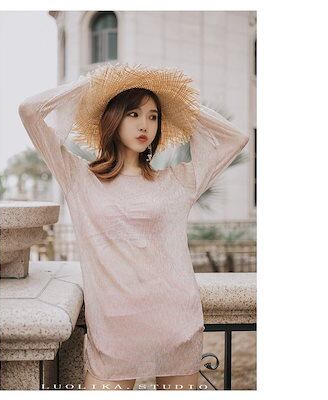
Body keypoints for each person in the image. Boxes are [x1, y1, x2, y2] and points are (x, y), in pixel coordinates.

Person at [18, 62, 249, 390]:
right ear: (113, 118)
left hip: (175, 322)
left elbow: (236, 138)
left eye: (154, 116)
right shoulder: (79, 177)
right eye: (134, 114)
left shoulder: (177, 181)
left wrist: (183, 107)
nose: (145, 125)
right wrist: (87, 86)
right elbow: (29, 112)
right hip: (113, 332)